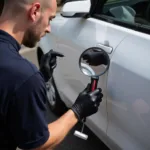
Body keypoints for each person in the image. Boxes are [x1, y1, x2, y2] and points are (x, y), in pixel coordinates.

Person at [0, 0, 103, 150]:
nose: (48, 28)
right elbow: (38, 145)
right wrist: (78, 110)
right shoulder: (22, 75)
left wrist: (40, 77)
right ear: (34, 11)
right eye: (50, 19)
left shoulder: (20, 75)